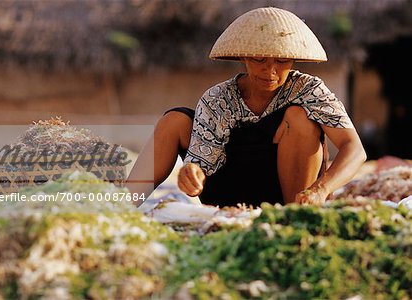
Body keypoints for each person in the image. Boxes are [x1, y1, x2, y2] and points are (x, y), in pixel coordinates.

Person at [127, 7, 366, 207]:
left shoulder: (309, 90)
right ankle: (122, 205)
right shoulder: (218, 98)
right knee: (175, 120)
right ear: (244, 57)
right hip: (229, 195)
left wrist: (320, 189)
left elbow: (355, 149)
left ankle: (293, 217)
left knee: (300, 118)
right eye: (259, 59)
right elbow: (201, 163)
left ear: (293, 59)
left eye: (281, 61)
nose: (269, 70)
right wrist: (192, 176)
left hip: (289, 196)